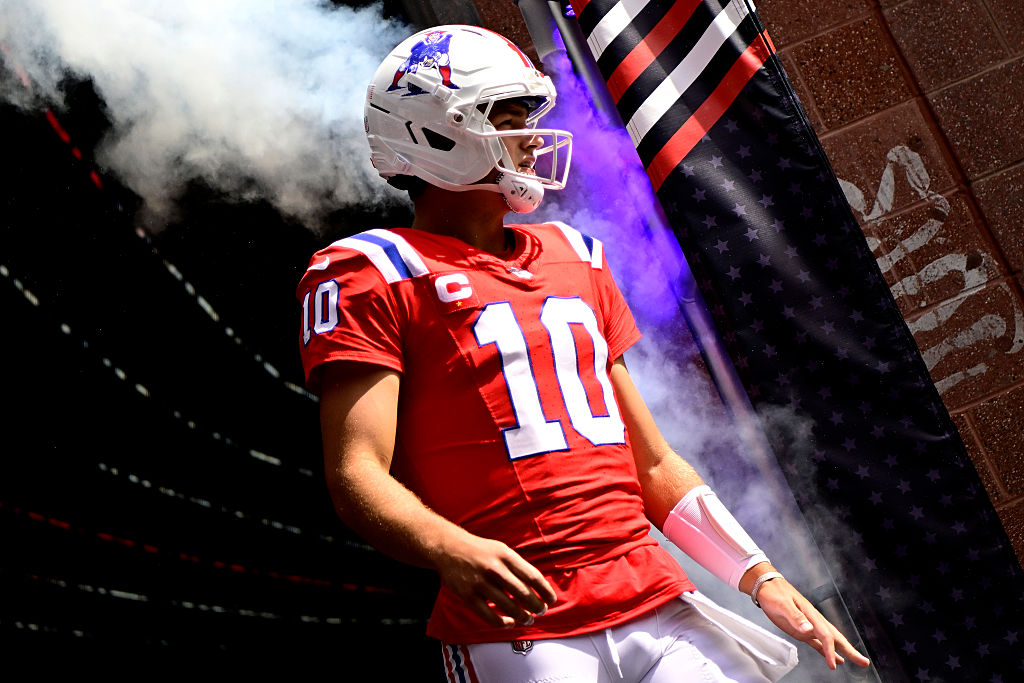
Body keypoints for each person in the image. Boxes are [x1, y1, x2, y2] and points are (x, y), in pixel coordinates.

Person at [297, 24, 871, 682]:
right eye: (507, 118)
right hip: (523, 629)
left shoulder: (576, 255)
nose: (533, 137)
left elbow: (650, 461)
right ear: (434, 133)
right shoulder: (372, 269)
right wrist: (449, 547)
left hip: (656, 602)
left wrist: (757, 573)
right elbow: (357, 472)